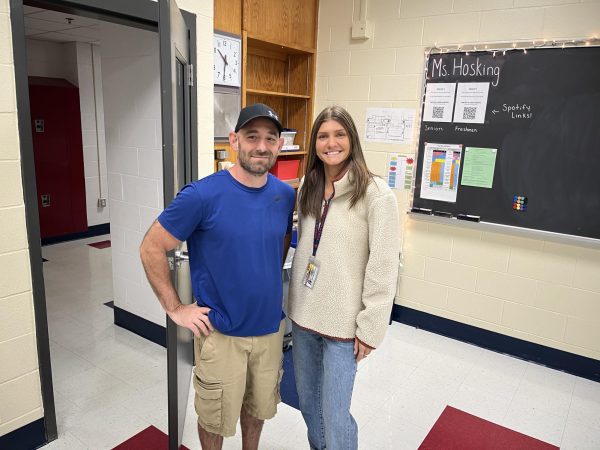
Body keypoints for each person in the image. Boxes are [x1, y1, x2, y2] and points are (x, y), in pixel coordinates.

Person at [140, 103, 296, 450]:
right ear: (234, 140)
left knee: (257, 409)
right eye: (252, 136)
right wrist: (176, 308)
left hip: (270, 330)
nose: (261, 146)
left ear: (279, 146)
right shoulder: (202, 195)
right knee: (214, 419)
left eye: (271, 138)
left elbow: (281, 243)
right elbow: (151, 247)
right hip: (221, 333)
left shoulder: (285, 195)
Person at [288, 105, 400, 450]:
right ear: (315, 143)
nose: (331, 143)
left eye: (339, 134)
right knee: (309, 408)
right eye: (323, 135)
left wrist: (370, 328)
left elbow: (383, 266)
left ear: (351, 139)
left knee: (336, 416)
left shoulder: (376, 194)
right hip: (304, 318)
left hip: (343, 326)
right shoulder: (308, 185)